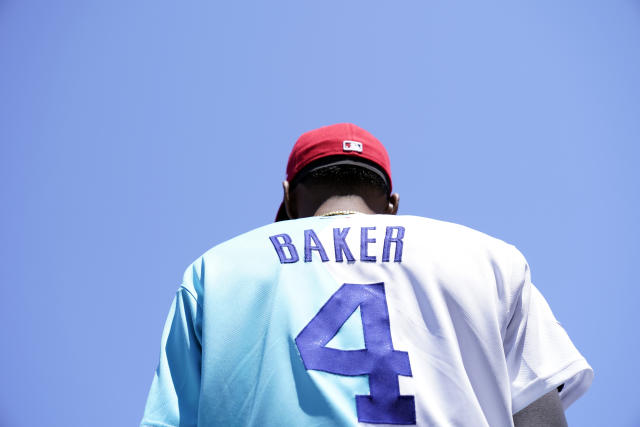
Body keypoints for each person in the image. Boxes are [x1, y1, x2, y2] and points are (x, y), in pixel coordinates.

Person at [140, 123, 592, 426]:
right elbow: (539, 415)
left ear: (288, 198)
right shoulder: (491, 259)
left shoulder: (215, 272)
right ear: (391, 204)